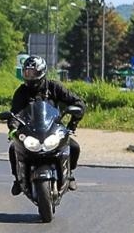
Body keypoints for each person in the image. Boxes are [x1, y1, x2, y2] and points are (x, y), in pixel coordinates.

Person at [7, 55, 84, 195]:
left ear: (41, 72)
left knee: (74, 147)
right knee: (13, 148)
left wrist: (73, 123)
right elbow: (15, 112)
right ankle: (18, 179)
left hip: (52, 129)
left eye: (33, 73)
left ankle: (70, 174)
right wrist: (13, 125)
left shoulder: (54, 87)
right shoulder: (21, 91)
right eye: (27, 73)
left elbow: (77, 103)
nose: (30, 76)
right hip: (30, 131)